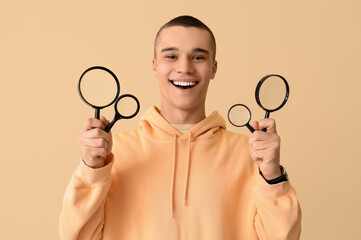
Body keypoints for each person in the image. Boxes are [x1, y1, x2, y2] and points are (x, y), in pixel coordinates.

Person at [59, 15, 301, 240]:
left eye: (198, 57)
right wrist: (91, 169)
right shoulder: (113, 152)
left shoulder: (250, 154)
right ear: (155, 65)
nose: (185, 67)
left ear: (213, 68)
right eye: (171, 56)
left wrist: (271, 175)